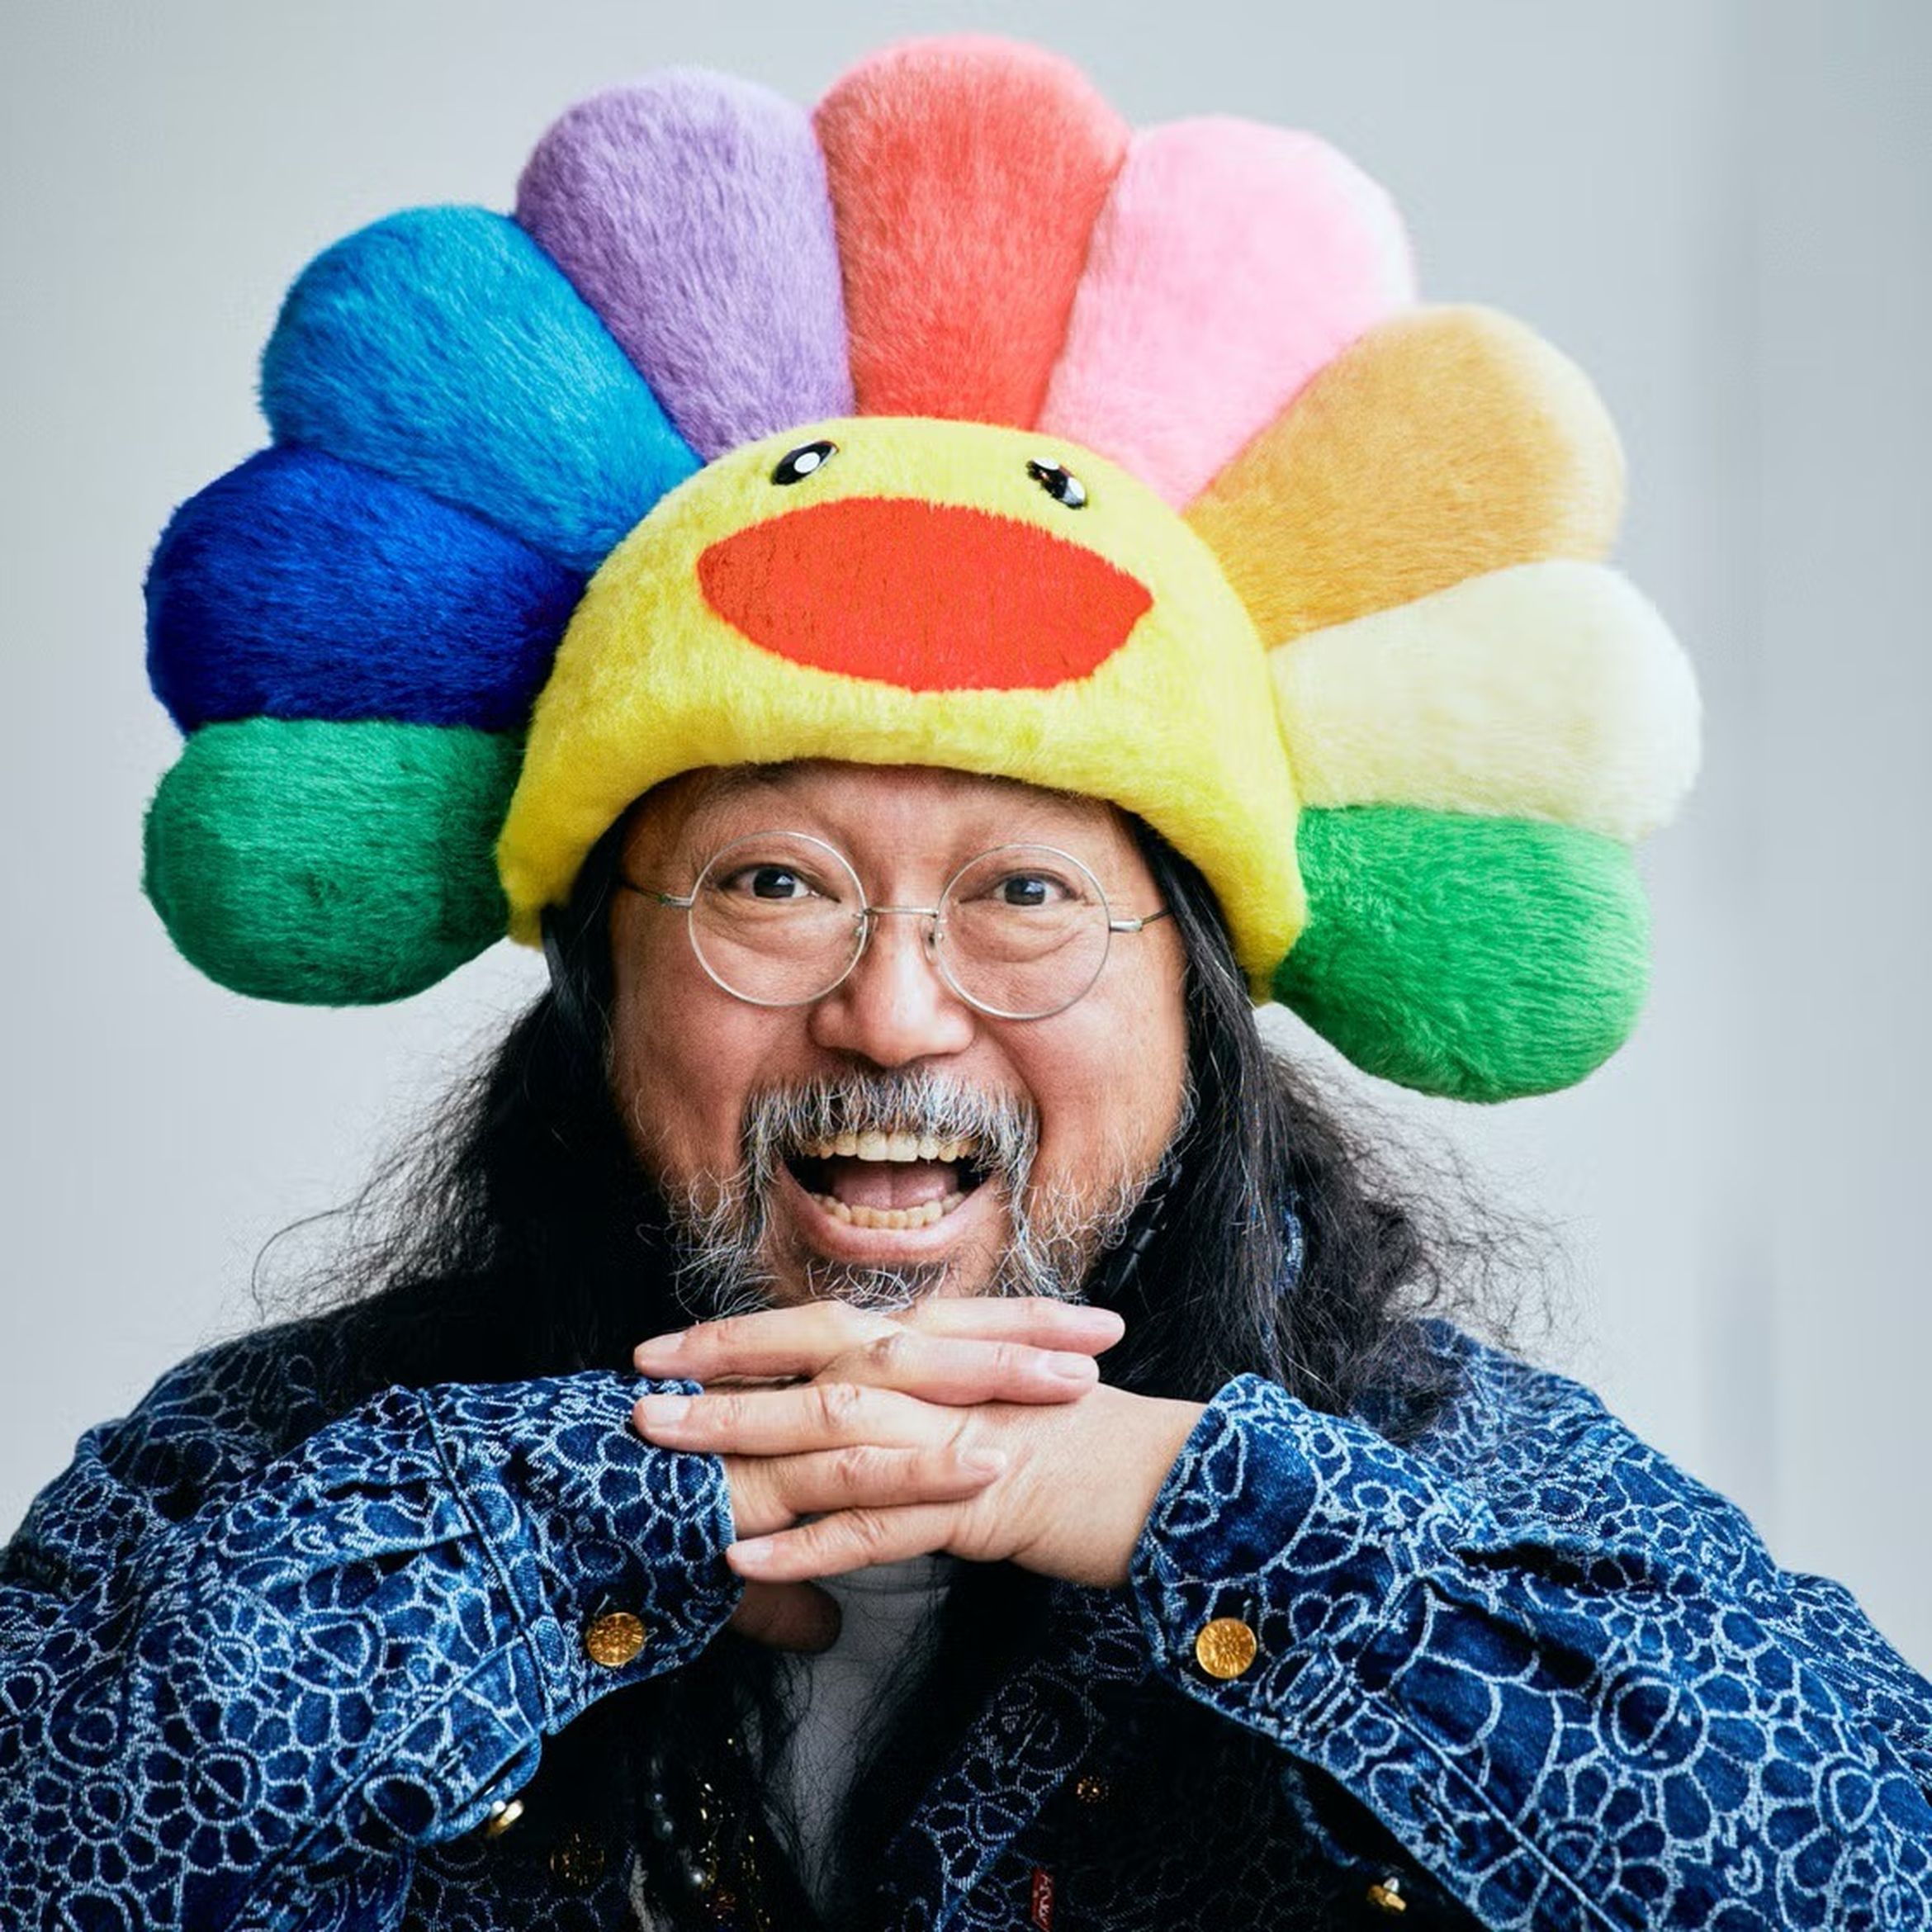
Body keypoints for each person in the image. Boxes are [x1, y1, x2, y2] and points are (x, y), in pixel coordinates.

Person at [4, 35, 1929, 1932]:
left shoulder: (1459, 1487)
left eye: (1025, 893)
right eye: (774, 886)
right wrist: (547, 1530)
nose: (897, 1016)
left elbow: (1869, 1861)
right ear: (598, 977)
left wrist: (1212, 1527)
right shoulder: (261, 1488)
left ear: (1200, 1002)